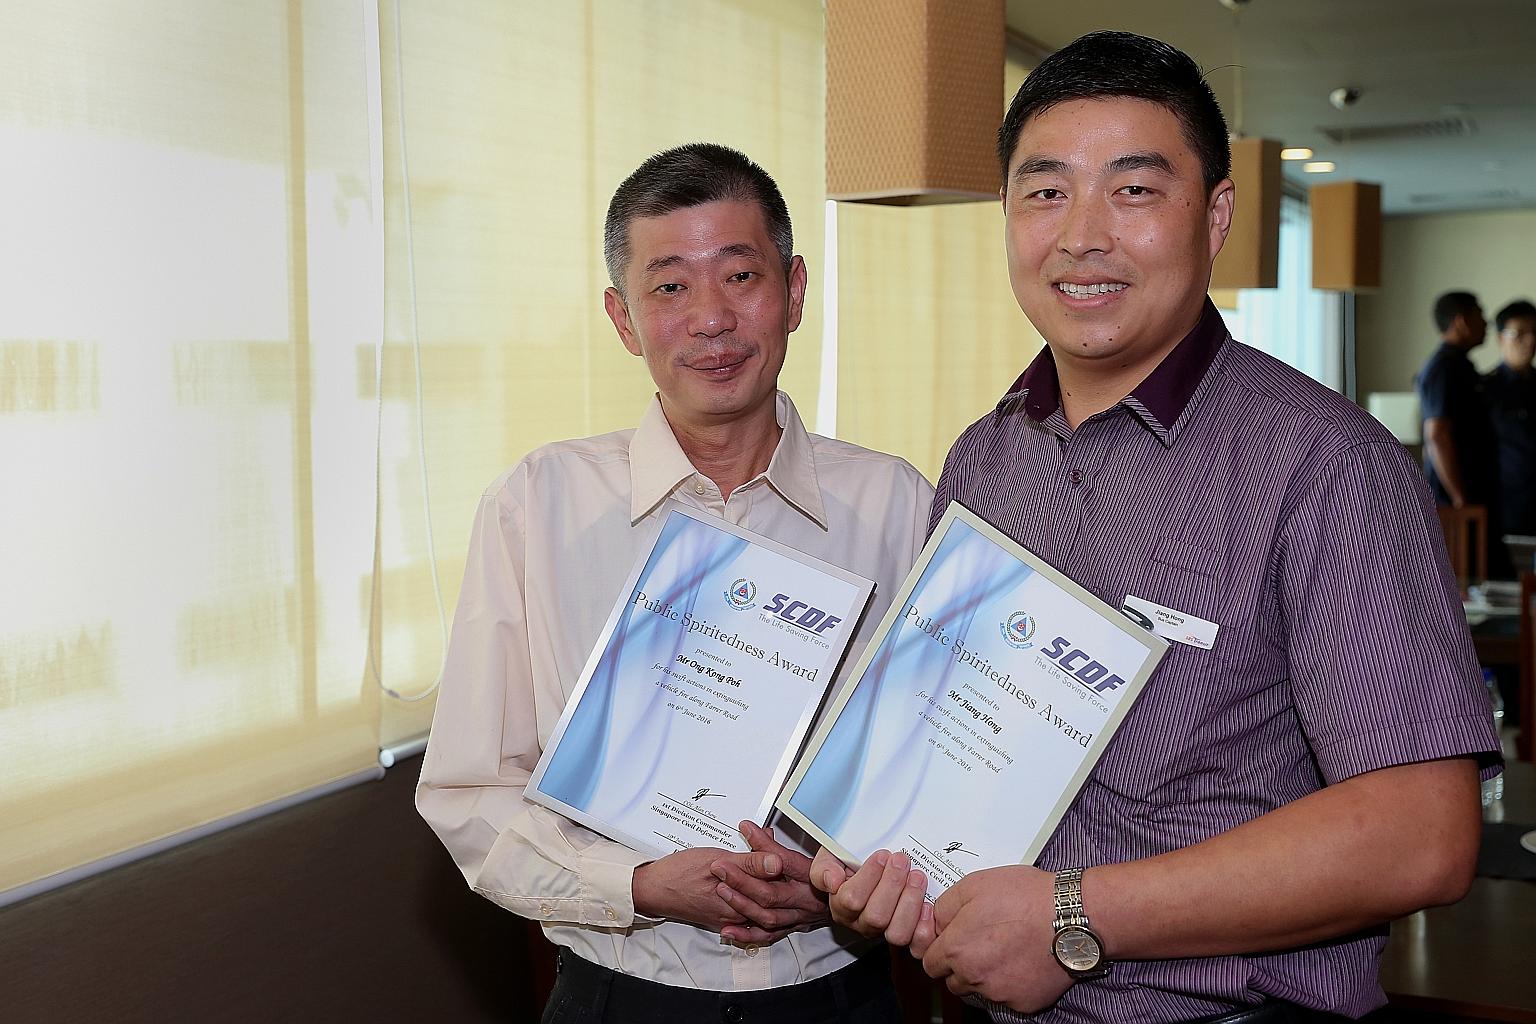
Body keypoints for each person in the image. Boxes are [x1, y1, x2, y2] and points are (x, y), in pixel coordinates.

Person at [811, 31, 1500, 1024]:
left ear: (1215, 214)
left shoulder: (1327, 464)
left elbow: (1421, 835)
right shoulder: (983, 457)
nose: (1083, 234)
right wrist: (869, 851)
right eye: (1045, 192)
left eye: (1133, 191)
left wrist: (1067, 914)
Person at [415, 143, 933, 1024]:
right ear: (623, 319)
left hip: (840, 995)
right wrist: (639, 883)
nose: (711, 319)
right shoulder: (538, 504)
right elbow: (468, 792)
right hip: (619, 997)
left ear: (796, 290)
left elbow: (934, 769)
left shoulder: (896, 504)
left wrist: (839, 888)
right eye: (669, 288)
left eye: (741, 275)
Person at [1416, 291, 1497, 512]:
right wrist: (1460, 498)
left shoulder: (1461, 365)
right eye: (1480, 315)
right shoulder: (1443, 368)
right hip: (1456, 500)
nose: (1486, 323)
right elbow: (1437, 435)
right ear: (1461, 321)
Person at [1485, 299, 1536, 538]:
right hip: (1506, 505)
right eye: (1520, 334)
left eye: (1534, 333)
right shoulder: (1486, 389)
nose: (1530, 341)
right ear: (1500, 338)